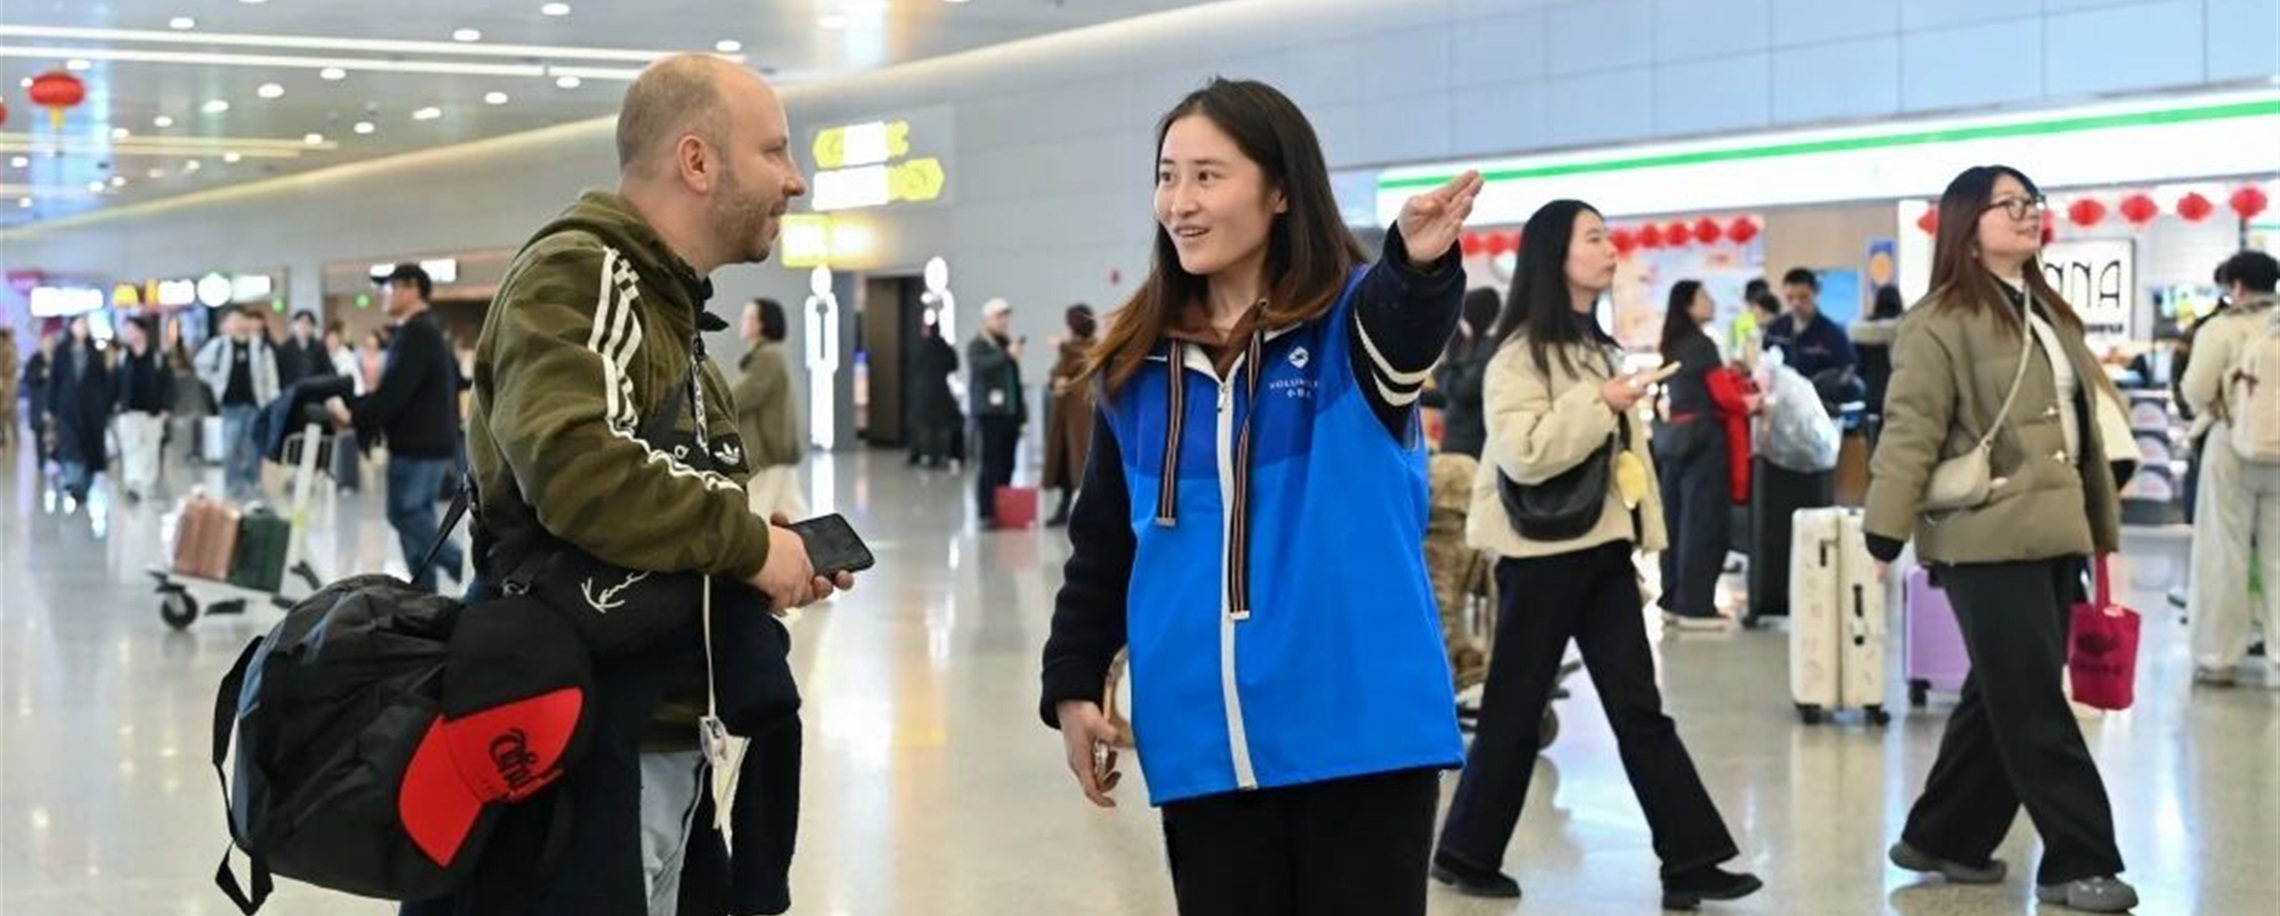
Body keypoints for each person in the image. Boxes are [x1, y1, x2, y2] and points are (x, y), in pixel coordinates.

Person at [414, 53, 851, 916]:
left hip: (648, 730)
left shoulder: (666, 306)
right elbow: (579, 471)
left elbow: (650, 490)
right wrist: (752, 544)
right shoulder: (584, 275)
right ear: (697, 161)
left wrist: (757, 557)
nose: (794, 181)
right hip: (580, 746)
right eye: (774, 152)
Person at [1039, 78, 1479, 916]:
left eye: (1209, 176)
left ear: (1280, 191)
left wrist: (1418, 266)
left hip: (1360, 735)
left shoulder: (1354, 328)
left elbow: (1404, 325)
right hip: (1202, 741)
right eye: (1168, 175)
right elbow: (1105, 548)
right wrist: (1073, 680)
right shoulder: (1136, 366)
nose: (1180, 202)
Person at [1433, 200, 1760, 909]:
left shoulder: (1593, 344)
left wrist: (1644, 531)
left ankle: (1691, 858)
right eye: (1595, 237)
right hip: (1540, 555)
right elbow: (1524, 452)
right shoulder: (1519, 352)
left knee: (1640, 711)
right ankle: (1464, 853)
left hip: (1600, 549)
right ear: (1556, 256)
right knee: (1516, 710)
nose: (1611, 249)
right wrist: (1605, 400)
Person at [1863, 165, 2136, 913]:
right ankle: (2080, 860)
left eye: (2032, 203)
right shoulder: (1938, 322)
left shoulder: (2043, 308)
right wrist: (1882, 535)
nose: (2027, 215)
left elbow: (2084, 414)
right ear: (1965, 224)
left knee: (2000, 693)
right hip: (1985, 536)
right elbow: (1910, 432)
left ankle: (1944, 837)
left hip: (2055, 530)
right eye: (2007, 205)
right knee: (2032, 708)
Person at [329, 264, 467, 593]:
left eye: (389, 287)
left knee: (404, 514)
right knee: (416, 519)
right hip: (428, 444)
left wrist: (355, 416)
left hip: (419, 445)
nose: (384, 295)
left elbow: (395, 391)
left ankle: (467, 569)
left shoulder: (416, 333)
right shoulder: (427, 331)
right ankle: (425, 595)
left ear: (410, 288)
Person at [2181, 249, 2280, 687]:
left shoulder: (2220, 329)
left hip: (2230, 445)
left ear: (2236, 286)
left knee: (2224, 552)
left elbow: (2196, 389)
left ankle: (2220, 657)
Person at [1654, 280, 1733, 630]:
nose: (1711, 301)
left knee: (1675, 520)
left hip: (1673, 441)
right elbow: (1724, 396)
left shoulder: (1672, 343)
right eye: (1705, 296)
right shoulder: (1703, 345)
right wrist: (1752, 402)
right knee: (1702, 522)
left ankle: (1673, 598)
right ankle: (1696, 606)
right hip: (1704, 440)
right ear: (1688, 305)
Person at [195, 308, 281, 500]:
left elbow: (271, 378)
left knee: (252, 447)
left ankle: (253, 482)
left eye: (239, 320)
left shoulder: (260, 348)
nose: (236, 324)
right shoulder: (219, 346)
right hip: (230, 406)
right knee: (229, 447)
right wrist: (215, 382)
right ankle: (234, 485)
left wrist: (271, 402)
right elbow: (200, 364)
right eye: (232, 321)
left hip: (254, 405)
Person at [735, 297, 807, 520]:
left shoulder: (768, 356)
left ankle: (756, 555)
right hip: (776, 451)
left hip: (766, 451)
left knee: (758, 511)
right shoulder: (769, 354)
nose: (743, 322)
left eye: (749, 317)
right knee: (794, 512)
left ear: (762, 324)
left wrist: (710, 398)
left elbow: (742, 396)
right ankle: (818, 551)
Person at [46, 316, 116, 504]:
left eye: (85, 324)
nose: (83, 327)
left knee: (90, 447)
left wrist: (106, 405)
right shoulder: (62, 351)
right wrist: (51, 407)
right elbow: (55, 380)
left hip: (92, 408)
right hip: (67, 407)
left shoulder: (95, 351)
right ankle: (73, 481)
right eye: (79, 324)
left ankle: (85, 484)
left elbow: (104, 381)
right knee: (71, 445)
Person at [969, 297, 1025, 527]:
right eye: (999, 317)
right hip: (990, 414)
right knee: (990, 463)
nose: (1004, 321)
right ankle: (986, 512)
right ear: (988, 319)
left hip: (1010, 414)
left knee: (1008, 463)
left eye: (1006, 317)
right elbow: (980, 367)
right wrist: (1006, 355)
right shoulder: (979, 344)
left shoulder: (1006, 343)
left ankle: (1004, 509)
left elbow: (1014, 383)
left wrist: (1021, 412)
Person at [1040, 303, 1098, 526]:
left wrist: (1063, 346)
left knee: (1082, 464)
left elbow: (1083, 360)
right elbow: (1058, 375)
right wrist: (1056, 383)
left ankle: (1087, 514)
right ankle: (1064, 511)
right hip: (1065, 418)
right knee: (1066, 464)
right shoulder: (1071, 349)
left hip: (1080, 418)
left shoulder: (1089, 348)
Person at [1434, 287, 1504, 458]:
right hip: (1453, 440)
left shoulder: (1488, 350)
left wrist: (1443, 368)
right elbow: (1449, 397)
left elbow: (1464, 392)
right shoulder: (1469, 347)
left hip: (1471, 446)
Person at [112, 316, 175, 503]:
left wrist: (166, 408)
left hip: (152, 413)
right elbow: (114, 384)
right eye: (126, 330)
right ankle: (133, 486)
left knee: (150, 450)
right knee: (130, 449)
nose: (128, 334)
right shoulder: (123, 358)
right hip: (128, 412)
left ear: (142, 332)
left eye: (131, 330)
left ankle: (148, 486)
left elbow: (168, 384)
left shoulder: (157, 358)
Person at [1763, 267, 1858, 381]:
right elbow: (1763, 362)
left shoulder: (1833, 333)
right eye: (1790, 298)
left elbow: (1848, 371)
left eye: (1803, 297)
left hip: (1819, 396)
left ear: (1816, 293)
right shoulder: (1776, 328)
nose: (1796, 303)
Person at [907, 314, 962, 468]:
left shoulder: (921, 347)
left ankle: (927, 455)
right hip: (942, 391)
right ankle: (942, 455)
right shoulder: (946, 347)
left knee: (926, 427)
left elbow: (915, 367)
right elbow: (954, 366)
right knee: (942, 426)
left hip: (924, 391)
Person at [1853, 284, 1906, 421]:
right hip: (1900, 392)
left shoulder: (1862, 329)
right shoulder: (1907, 327)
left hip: (1870, 394)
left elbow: (1858, 366)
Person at [322, 322, 363, 492]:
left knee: (347, 441)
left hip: (346, 403)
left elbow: (354, 383)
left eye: (334, 338)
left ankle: (348, 481)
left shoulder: (346, 357)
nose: (331, 341)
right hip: (328, 402)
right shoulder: (324, 356)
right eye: (328, 338)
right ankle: (332, 477)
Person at [275, 309, 332, 386]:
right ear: (293, 326)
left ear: (312, 327)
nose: (303, 326)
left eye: (308, 323)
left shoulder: (320, 348)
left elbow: (327, 371)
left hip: (315, 390)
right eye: (300, 322)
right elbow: (280, 375)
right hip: (292, 392)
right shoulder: (284, 349)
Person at [0, 327, 17, 449]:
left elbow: (10, 366)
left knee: (8, 413)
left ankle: (9, 440)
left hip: (6, 384)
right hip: (6, 383)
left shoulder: (9, 347)